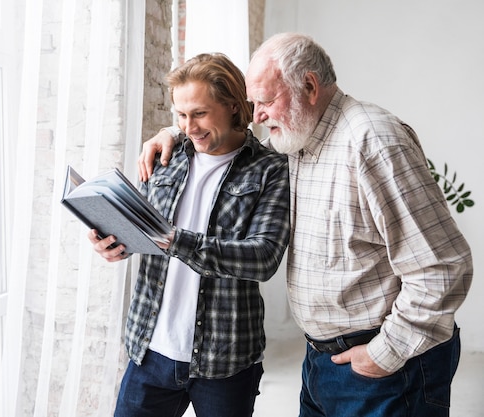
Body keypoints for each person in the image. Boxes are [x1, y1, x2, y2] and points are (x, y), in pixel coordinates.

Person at [138, 33, 473, 417]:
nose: (258, 115)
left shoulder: (372, 140)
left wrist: (386, 353)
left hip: (385, 367)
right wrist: (172, 133)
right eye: (253, 103)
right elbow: (223, 136)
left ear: (310, 87)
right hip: (321, 360)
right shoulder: (299, 138)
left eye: (265, 101)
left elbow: (443, 266)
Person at [88, 53, 290, 417]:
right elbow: (142, 228)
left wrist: (175, 239)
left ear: (232, 105)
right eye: (180, 116)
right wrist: (115, 242)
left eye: (199, 113)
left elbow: (264, 257)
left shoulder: (270, 170)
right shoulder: (166, 155)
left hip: (225, 359)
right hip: (149, 350)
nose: (189, 126)